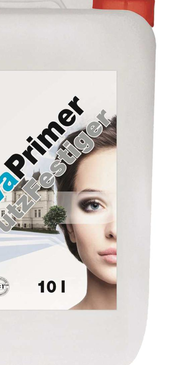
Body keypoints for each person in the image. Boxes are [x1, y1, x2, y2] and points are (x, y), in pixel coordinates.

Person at [55, 118, 117, 310]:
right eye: (94, 205)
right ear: (70, 226)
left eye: (132, 204)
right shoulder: (49, 328)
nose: (114, 230)